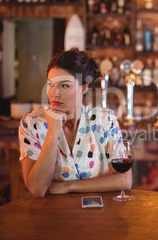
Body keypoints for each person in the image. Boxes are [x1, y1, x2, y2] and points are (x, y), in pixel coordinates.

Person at [18, 48, 132, 197]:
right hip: (49, 216)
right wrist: (53, 132)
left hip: (99, 216)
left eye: (64, 85)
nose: (54, 93)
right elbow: (38, 189)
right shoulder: (32, 123)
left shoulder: (104, 121)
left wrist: (68, 186)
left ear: (84, 88)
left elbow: (124, 180)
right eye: (51, 84)